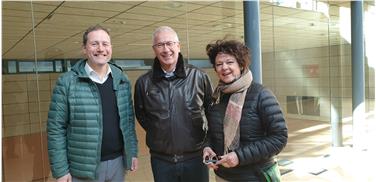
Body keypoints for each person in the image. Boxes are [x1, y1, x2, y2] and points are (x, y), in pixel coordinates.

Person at [47, 25, 138, 182]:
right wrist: (60, 170)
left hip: (118, 164)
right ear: (84, 49)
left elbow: (128, 123)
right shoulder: (67, 82)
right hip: (83, 169)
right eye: (94, 43)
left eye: (105, 44)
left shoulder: (122, 79)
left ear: (111, 48)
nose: (101, 48)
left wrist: (132, 152)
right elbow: (56, 128)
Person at [134, 26, 212, 182]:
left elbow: (211, 111)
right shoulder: (143, 83)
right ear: (154, 49)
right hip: (161, 161)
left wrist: (208, 144)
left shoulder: (199, 77)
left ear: (178, 46)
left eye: (170, 43)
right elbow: (142, 115)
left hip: (196, 158)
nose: (166, 49)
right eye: (160, 45)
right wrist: (160, 130)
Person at [203, 39, 288, 182]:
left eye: (230, 62)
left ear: (241, 65)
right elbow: (212, 132)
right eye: (219, 64)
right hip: (223, 176)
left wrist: (239, 156)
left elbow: (279, 138)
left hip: (254, 176)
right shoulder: (217, 97)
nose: (224, 67)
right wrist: (207, 147)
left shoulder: (261, 94)